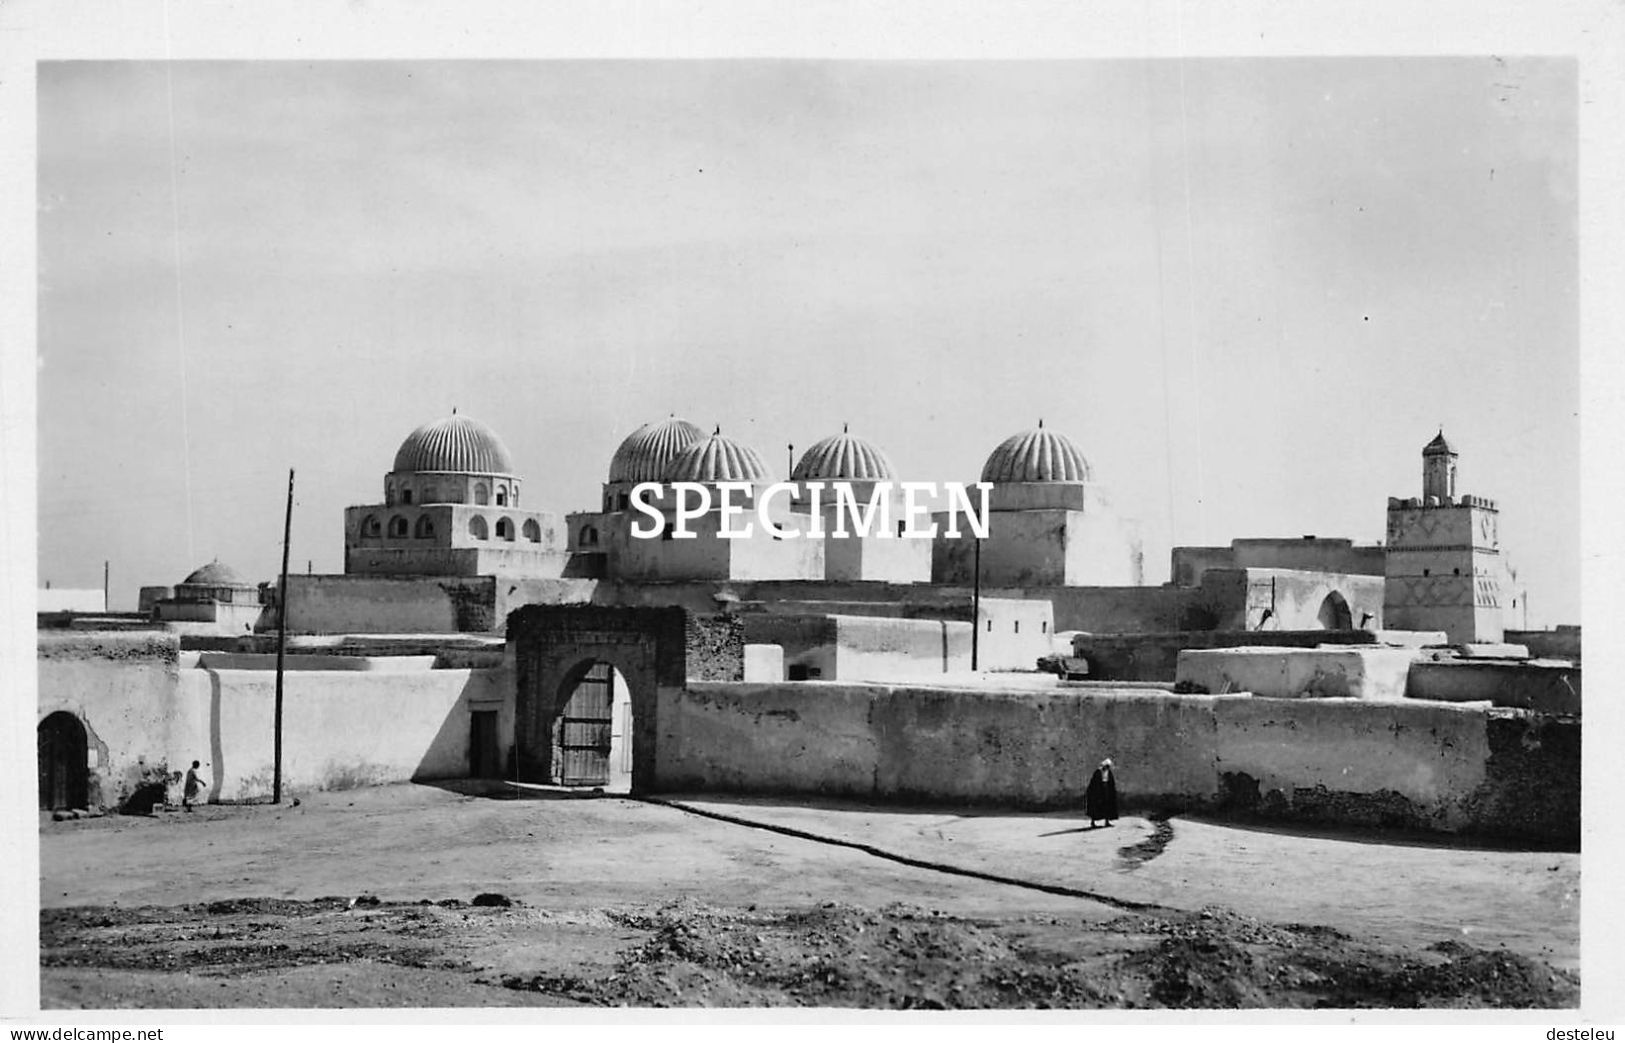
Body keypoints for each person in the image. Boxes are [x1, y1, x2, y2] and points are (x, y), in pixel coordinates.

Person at [1085, 757, 1118, 828]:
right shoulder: (1098, 772)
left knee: (1107, 805)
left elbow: (1111, 782)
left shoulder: (1109, 772)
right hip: (1098, 791)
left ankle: (1107, 821)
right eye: (1107, 766)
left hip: (1106, 790)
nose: (1107, 768)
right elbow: (1094, 783)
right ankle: (1093, 822)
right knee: (1096, 806)